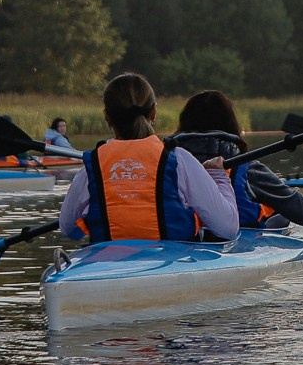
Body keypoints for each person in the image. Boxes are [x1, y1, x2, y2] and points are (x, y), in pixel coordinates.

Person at [60, 74, 241, 243]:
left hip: (107, 267)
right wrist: (219, 177)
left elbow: (69, 229)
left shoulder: (92, 167)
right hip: (171, 266)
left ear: (106, 116)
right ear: (153, 112)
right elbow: (228, 228)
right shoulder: (180, 161)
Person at [172, 89, 303, 230]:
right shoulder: (248, 169)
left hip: (178, 244)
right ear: (231, 125)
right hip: (240, 248)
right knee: (279, 216)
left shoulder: (166, 164)